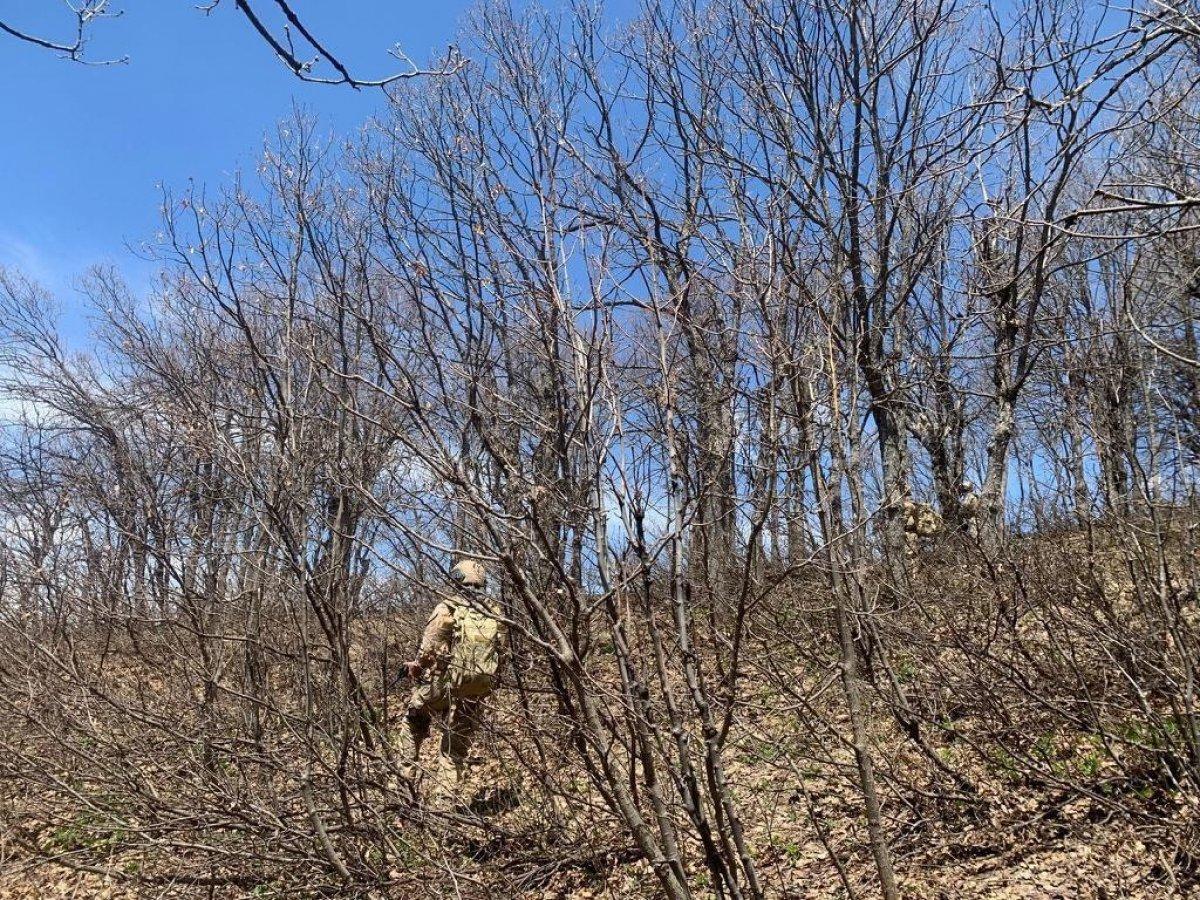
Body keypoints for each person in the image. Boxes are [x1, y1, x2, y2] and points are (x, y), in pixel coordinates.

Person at [402, 557, 503, 803]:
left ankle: (403, 792)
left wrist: (416, 668)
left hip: (443, 685)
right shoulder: (495, 612)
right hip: (476, 690)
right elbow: (502, 652)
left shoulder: (447, 608)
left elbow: (428, 651)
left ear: (457, 579)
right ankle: (444, 807)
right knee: (454, 750)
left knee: (412, 721)